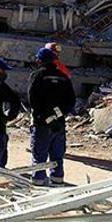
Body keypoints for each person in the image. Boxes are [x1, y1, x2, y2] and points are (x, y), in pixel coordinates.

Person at [28, 48, 75, 186]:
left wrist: (44, 115)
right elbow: (71, 101)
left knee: (39, 155)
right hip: (58, 124)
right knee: (57, 156)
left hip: (41, 123)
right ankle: (57, 180)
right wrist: (57, 114)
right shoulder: (63, 77)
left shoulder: (37, 76)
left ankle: (38, 182)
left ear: (40, 60)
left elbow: (32, 100)